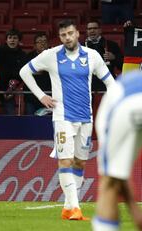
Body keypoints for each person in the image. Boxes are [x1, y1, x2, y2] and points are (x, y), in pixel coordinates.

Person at [19, 19, 115, 220]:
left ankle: (68, 206)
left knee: (80, 162)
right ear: (60, 37)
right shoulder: (51, 55)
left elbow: (110, 83)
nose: (67, 38)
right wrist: (41, 96)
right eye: (63, 35)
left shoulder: (92, 56)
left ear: (77, 33)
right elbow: (24, 71)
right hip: (62, 116)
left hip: (86, 118)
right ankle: (74, 208)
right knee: (65, 159)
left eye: (70, 33)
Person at [92, 70, 142, 231]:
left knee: (109, 183)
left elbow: (116, 176)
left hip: (123, 105)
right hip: (124, 102)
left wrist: (135, 212)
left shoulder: (117, 91)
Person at [0, 29, 28, 115]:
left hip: (10, 91)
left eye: (15, 38)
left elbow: (22, 75)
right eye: (10, 38)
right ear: (6, 40)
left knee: (11, 116)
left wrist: (13, 88)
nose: (12, 40)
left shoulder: (23, 56)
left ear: (19, 40)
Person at [85, 20, 123, 91]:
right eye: (89, 29)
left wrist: (114, 58)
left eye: (95, 28)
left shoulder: (112, 45)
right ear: (87, 31)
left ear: (100, 30)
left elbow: (122, 66)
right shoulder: (80, 47)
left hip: (107, 84)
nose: (92, 30)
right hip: (88, 85)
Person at [24, 32, 52, 115]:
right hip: (31, 96)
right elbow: (31, 72)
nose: (42, 44)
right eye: (39, 42)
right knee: (30, 122)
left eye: (44, 41)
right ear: (35, 45)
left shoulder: (53, 56)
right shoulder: (29, 56)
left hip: (49, 95)